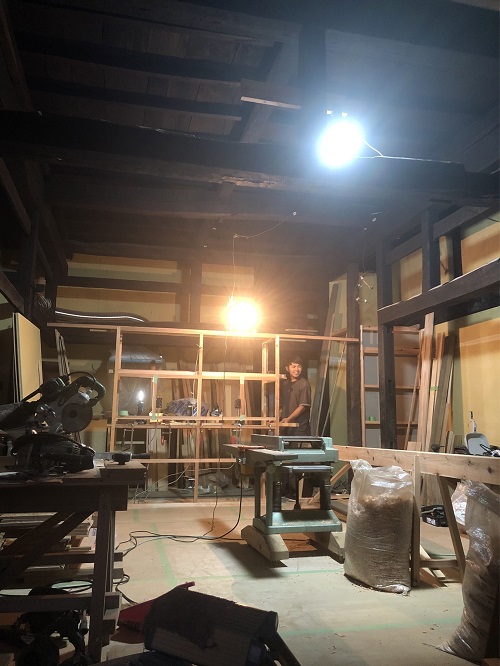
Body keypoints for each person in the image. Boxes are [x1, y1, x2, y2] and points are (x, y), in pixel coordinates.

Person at [280, 355, 312, 501]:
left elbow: (302, 407)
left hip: (299, 428)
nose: (296, 369)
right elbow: (282, 405)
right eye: (293, 366)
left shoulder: (304, 384)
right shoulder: (285, 384)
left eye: (299, 366)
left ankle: (294, 493)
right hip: (287, 427)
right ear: (287, 368)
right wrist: (279, 418)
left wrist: (288, 419)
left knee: (295, 459)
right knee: (283, 458)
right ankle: (284, 490)